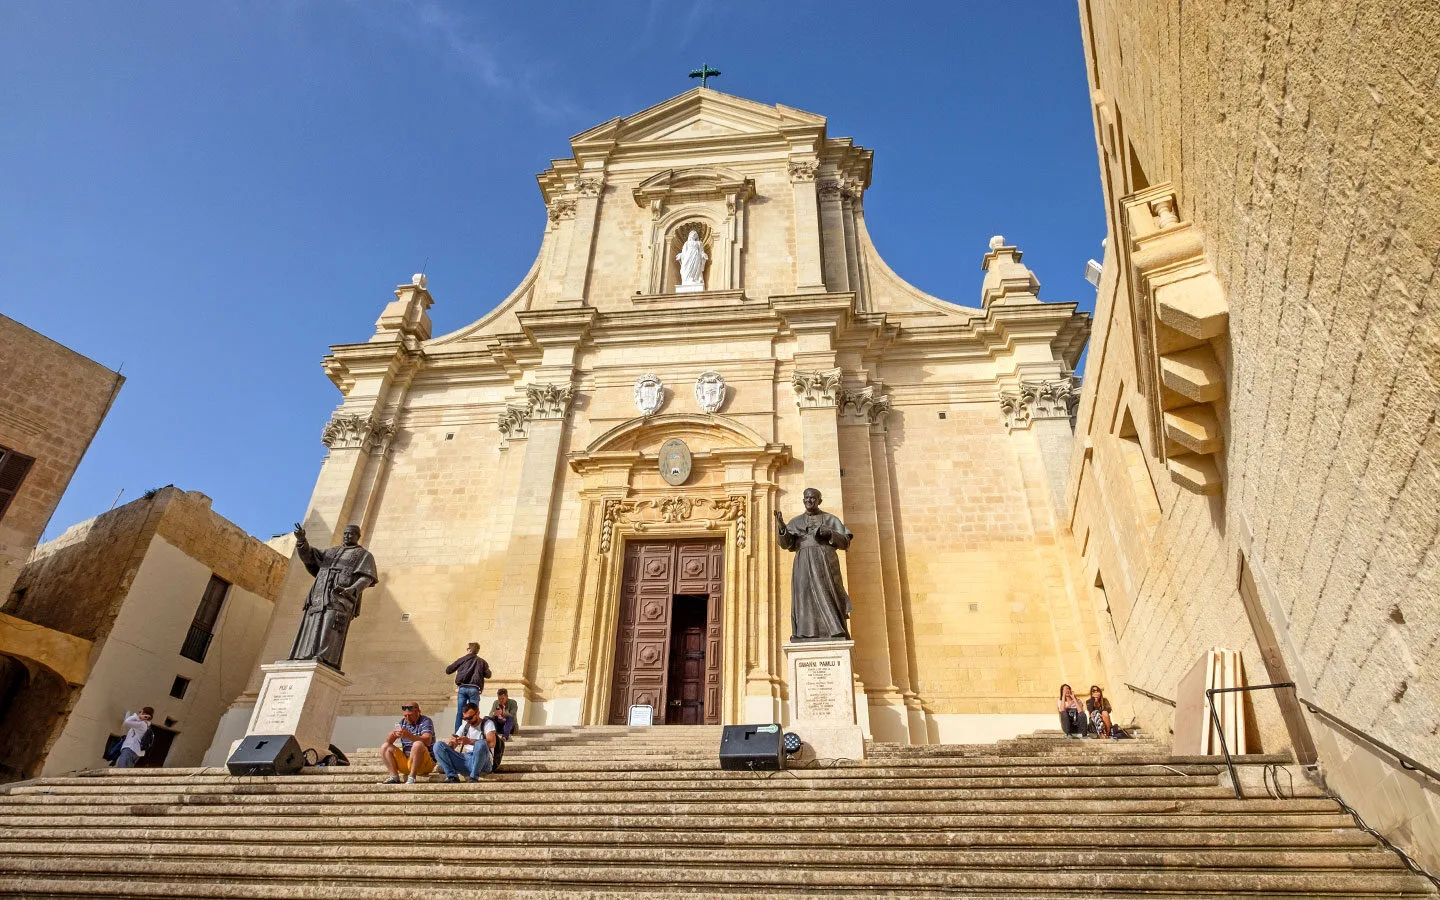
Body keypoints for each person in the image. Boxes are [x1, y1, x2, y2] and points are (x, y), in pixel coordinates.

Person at [288, 523, 378, 670]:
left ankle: (324, 656)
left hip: (340, 597)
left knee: (331, 624)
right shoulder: (331, 552)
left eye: (351, 534)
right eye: (345, 533)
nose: (347, 536)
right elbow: (309, 556)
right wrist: (302, 540)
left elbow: (367, 577)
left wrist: (352, 589)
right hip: (320, 593)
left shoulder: (364, 555)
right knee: (313, 622)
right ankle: (305, 654)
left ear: (358, 536)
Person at [775, 488, 854, 641]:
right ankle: (805, 633)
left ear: (819, 501)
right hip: (803, 562)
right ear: (803, 500)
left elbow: (845, 542)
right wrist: (782, 528)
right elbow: (786, 544)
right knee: (803, 595)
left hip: (825, 560)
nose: (809, 501)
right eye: (806, 498)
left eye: (812, 498)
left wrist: (830, 533)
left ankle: (835, 630)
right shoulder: (796, 522)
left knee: (829, 593)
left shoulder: (830, 519)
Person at [432, 703, 496, 782]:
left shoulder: (488, 723)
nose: (467, 721)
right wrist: (452, 742)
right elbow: (452, 746)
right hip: (467, 760)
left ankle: (473, 778)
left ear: (478, 713)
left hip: (484, 762)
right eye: (464, 718)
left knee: (480, 744)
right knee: (438, 745)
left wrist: (469, 741)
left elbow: (492, 742)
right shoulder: (465, 726)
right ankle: (452, 776)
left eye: (470, 718)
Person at [378, 700, 436, 784]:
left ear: (418, 712)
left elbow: (427, 741)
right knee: (385, 746)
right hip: (408, 762)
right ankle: (394, 777)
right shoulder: (403, 722)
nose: (407, 718)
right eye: (405, 716)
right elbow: (388, 741)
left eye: (410, 715)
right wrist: (393, 735)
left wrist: (409, 736)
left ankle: (412, 777)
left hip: (424, 764)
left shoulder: (426, 721)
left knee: (418, 744)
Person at [445, 642, 491, 734]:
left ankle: (457, 734)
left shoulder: (462, 659)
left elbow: (448, 670)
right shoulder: (482, 661)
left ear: (469, 650)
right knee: (474, 713)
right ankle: (474, 733)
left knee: (460, 712)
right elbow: (488, 675)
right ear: (477, 651)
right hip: (474, 689)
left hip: (462, 688)